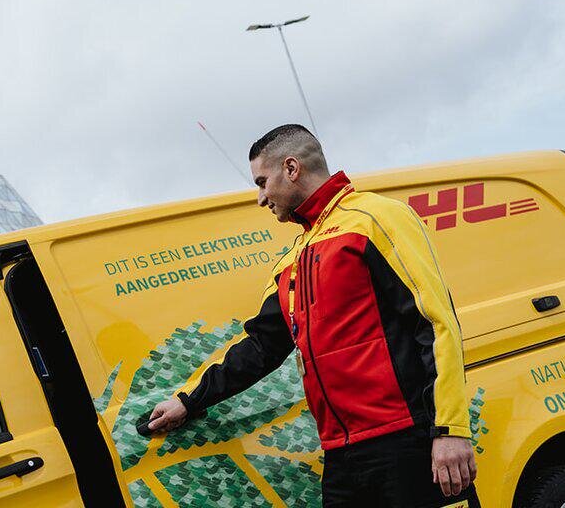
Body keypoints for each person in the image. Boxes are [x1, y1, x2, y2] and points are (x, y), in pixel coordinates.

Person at [146, 124, 479, 507]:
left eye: (261, 181)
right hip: (342, 457)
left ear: (291, 168)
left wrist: (449, 429)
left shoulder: (376, 219)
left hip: (407, 441)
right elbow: (261, 347)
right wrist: (189, 401)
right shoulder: (292, 258)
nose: (260, 198)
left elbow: (435, 323)